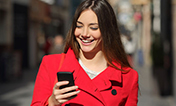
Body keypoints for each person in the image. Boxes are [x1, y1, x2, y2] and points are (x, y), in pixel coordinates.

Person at [31, 0, 139, 106]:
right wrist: (52, 102)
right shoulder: (51, 64)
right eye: (79, 26)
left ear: (108, 30)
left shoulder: (128, 77)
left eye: (93, 27)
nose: (84, 34)